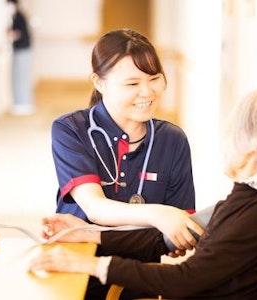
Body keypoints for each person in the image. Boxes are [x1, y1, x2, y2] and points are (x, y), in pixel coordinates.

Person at [29, 88, 257, 299]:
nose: (225, 143)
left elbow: (184, 281)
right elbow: (170, 236)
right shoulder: (253, 198)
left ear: (250, 152)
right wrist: (89, 234)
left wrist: (88, 264)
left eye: (232, 134)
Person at [49, 28, 203, 298]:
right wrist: (160, 215)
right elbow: (95, 207)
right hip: (76, 273)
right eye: (132, 84)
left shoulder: (172, 140)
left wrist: (168, 227)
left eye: (154, 79)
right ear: (99, 82)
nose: (147, 92)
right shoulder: (71, 130)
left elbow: (175, 238)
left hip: (137, 278)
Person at [6, 0, 35, 115]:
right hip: (21, 51)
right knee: (19, 78)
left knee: (21, 78)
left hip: (23, 51)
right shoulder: (17, 16)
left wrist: (8, 33)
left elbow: (19, 34)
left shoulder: (18, 16)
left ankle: (24, 104)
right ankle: (20, 104)